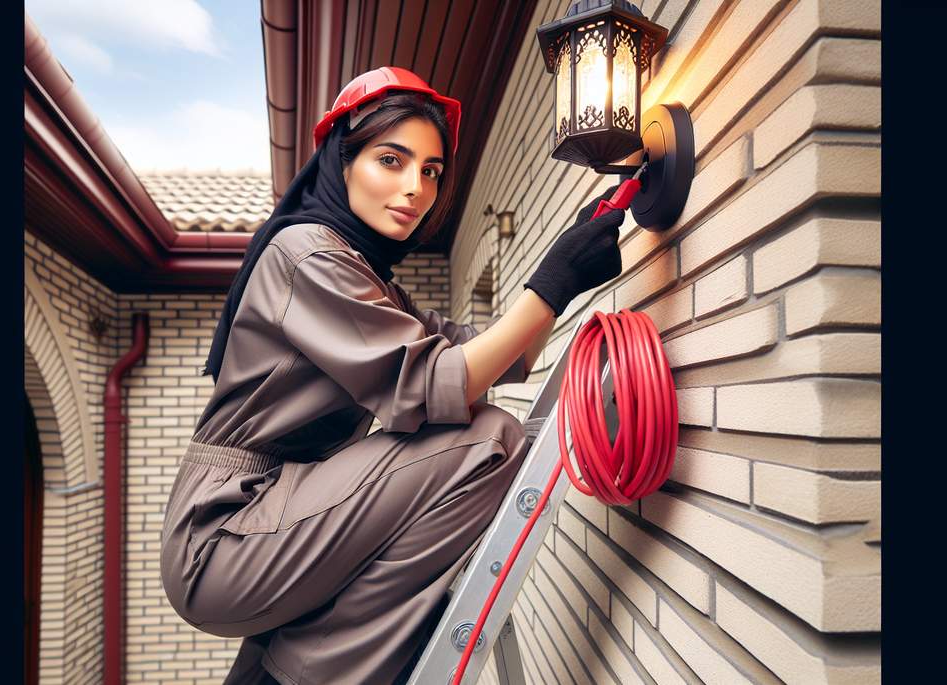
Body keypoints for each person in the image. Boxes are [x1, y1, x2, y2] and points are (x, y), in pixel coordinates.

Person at [159, 66, 625, 685]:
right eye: (391, 160)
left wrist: (564, 261)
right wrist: (551, 285)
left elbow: (491, 355)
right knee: (490, 442)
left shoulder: (368, 280)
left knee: (475, 433)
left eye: (431, 171)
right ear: (342, 161)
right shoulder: (308, 254)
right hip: (225, 533)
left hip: (278, 514)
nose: (415, 189)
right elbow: (438, 384)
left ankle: (293, 666)